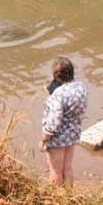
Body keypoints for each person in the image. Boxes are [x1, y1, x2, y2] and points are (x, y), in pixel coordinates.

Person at [39, 56, 87, 186]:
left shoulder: (58, 95)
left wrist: (44, 139)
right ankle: (69, 196)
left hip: (58, 138)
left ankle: (57, 200)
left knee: (55, 171)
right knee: (67, 168)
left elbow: (54, 122)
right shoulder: (81, 87)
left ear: (56, 76)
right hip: (72, 134)